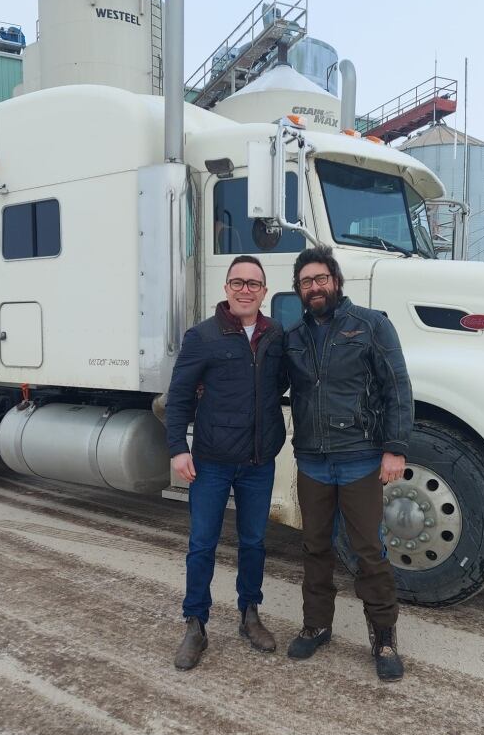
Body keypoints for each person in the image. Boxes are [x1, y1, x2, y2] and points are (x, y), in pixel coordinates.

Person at [283, 246, 413, 681]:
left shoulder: (371, 325)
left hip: (359, 458)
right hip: (313, 461)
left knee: (368, 553)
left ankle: (384, 638)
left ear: (336, 282)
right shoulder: (294, 338)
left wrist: (394, 448)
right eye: (306, 282)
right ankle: (317, 625)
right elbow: (268, 384)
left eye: (321, 279)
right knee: (315, 548)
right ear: (298, 290)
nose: (314, 287)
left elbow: (397, 387)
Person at [166, 256, 286, 670]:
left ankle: (249, 615)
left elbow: (279, 386)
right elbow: (179, 394)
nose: (246, 290)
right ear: (227, 288)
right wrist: (178, 448)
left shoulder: (275, 336)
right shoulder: (202, 336)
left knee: (254, 543)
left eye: (254, 284)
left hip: (258, 462)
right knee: (202, 544)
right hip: (212, 462)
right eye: (238, 282)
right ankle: (195, 623)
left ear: (264, 292)